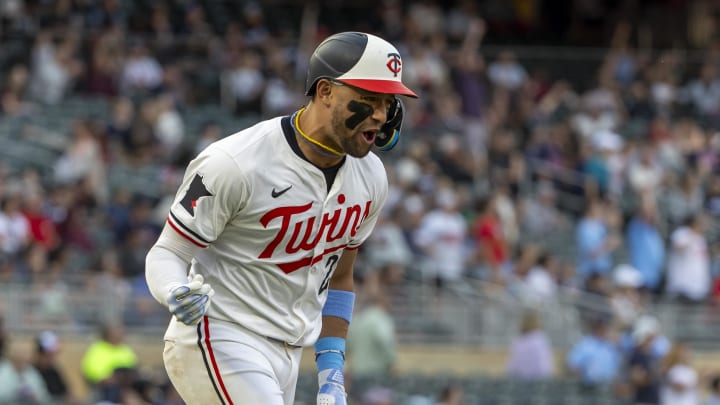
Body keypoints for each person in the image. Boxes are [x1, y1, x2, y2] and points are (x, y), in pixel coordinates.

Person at [145, 31, 418, 405]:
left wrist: (331, 372)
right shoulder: (235, 162)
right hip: (220, 334)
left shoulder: (371, 178)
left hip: (289, 352)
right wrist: (174, 289)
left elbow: (339, 279)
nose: (381, 115)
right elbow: (167, 252)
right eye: (368, 99)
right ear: (325, 92)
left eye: (389, 103)